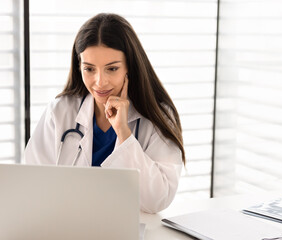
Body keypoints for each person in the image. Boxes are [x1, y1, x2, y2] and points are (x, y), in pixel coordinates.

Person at [24, 13, 185, 213]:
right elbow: (32, 184)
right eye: (89, 69)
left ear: (130, 67)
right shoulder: (60, 111)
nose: (100, 82)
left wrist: (124, 133)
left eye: (112, 68)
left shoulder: (158, 116)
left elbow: (157, 201)